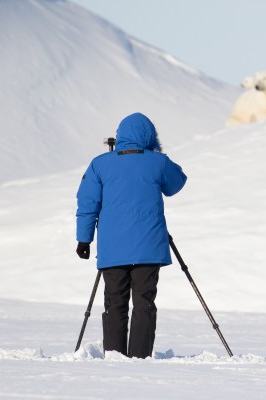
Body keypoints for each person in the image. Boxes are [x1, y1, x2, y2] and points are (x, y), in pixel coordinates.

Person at [75, 112, 187, 359]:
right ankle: (140, 357)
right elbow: (177, 183)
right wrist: (158, 154)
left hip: (112, 249)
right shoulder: (157, 162)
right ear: (149, 136)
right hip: (149, 247)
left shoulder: (100, 163)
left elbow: (87, 202)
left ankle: (114, 355)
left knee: (114, 303)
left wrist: (84, 239)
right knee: (144, 303)